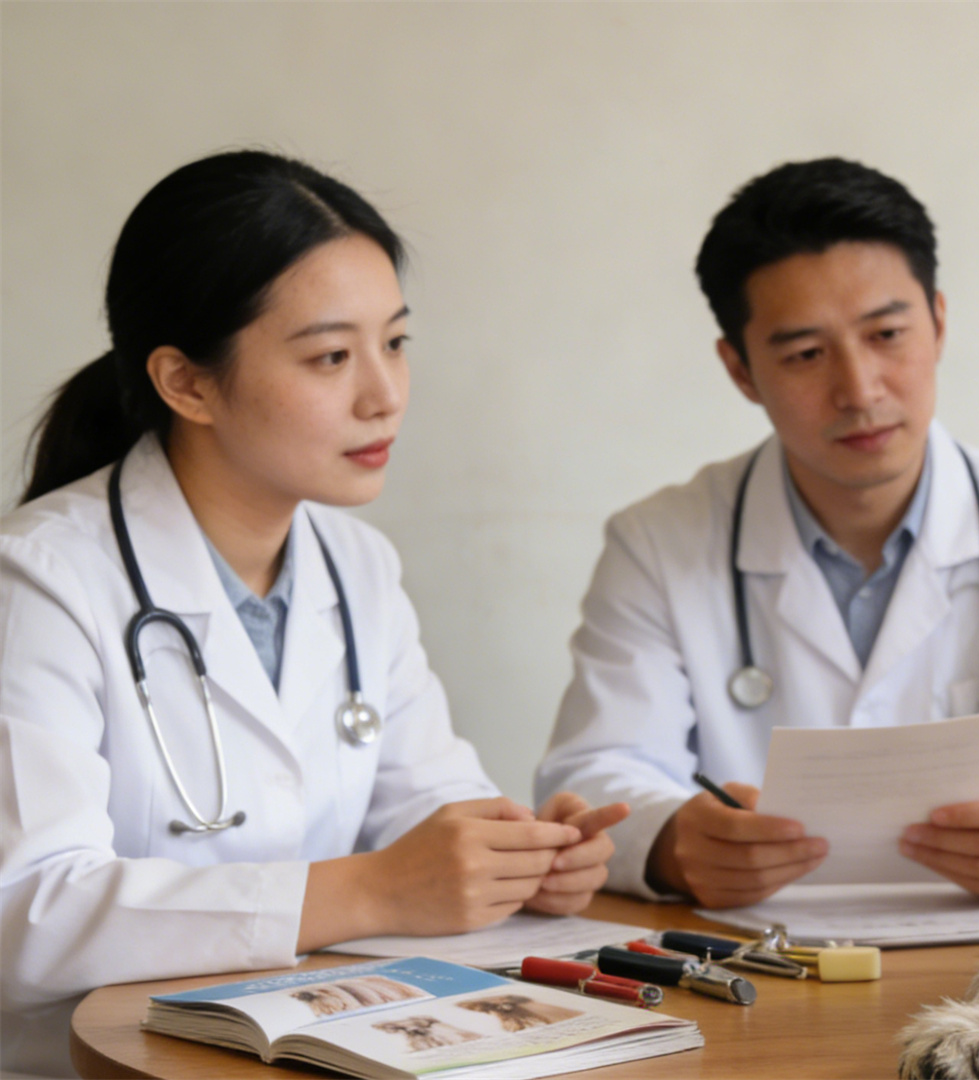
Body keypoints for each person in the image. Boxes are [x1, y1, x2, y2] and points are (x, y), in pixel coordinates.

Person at [0, 151, 627, 1077]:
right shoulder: (42, 579)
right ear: (187, 383)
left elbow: (426, 804)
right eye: (332, 357)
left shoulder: (355, 564)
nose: (385, 395)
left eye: (397, 342)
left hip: (315, 1050)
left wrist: (520, 858)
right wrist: (368, 891)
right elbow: (26, 914)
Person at [535, 158, 979, 910]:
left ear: (938, 323)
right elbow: (596, 770)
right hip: (750, 957)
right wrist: (676, 842)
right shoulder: (657, 543)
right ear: (741, 370)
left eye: (886, 334)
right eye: (806, 354)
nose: (860, 389)